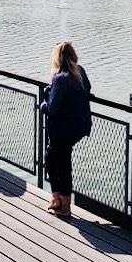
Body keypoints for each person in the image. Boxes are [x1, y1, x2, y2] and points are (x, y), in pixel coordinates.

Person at [40, 42, 92, 217]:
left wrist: (43, 104)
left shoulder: (60, 78)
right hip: (79, 126)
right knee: (51, 156)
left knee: (61, 163)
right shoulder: (80, 72)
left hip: (62, 129)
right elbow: (87, 90)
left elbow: (53, 108)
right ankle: (57, 198)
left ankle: (65, 206)